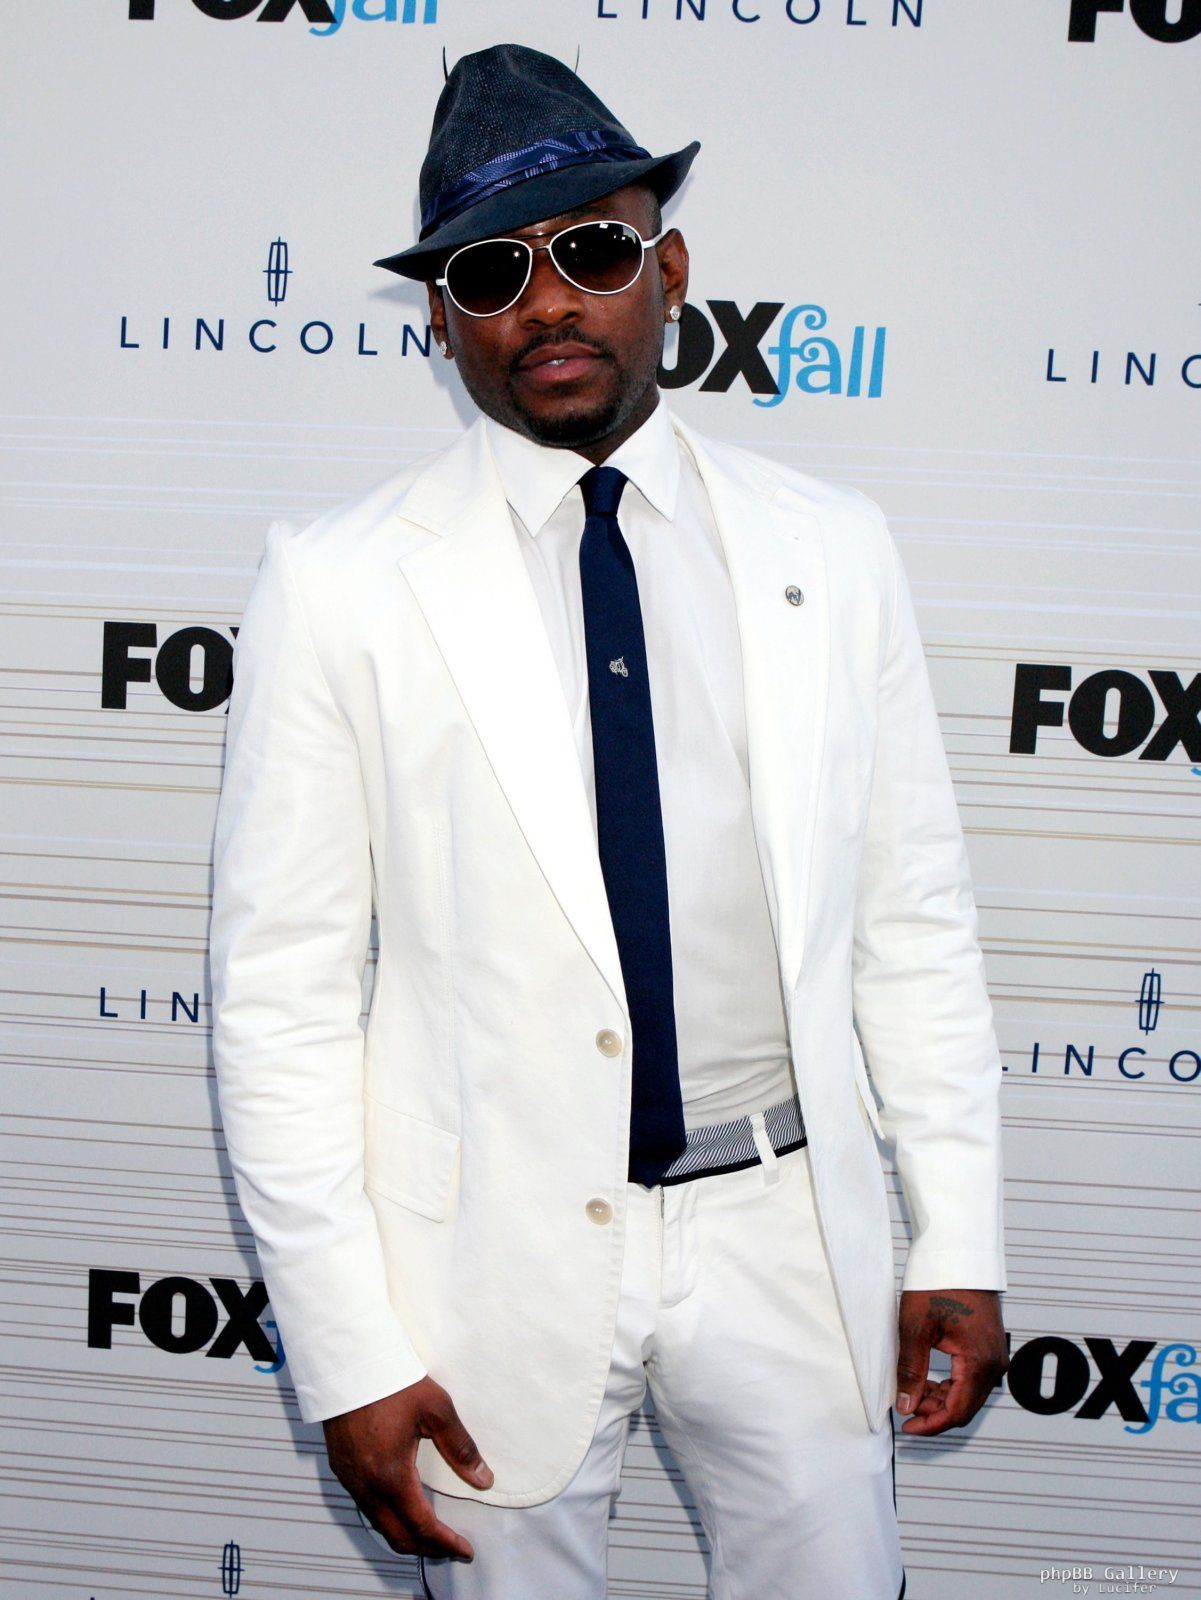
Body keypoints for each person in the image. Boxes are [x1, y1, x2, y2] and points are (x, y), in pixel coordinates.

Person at [208, 42, 1008, 1600]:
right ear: (440, 318)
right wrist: (347, 1347)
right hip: (478, 1266)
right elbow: (279, 999)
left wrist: (955, 1234)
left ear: (668, 270)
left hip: (788, 1233)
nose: (546, 304)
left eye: (589, 250)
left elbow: (909, 920)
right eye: (490, 272)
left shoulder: (833, 550)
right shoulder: (339, 583)